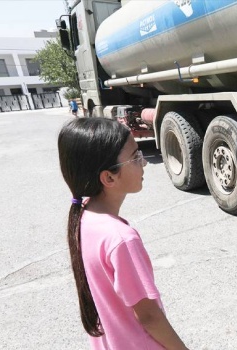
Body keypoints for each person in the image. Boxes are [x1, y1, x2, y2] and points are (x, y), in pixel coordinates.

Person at [58, 118, 187, 349]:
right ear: (109, 177)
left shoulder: (84, 216)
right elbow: (149, 317)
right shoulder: (121, 239)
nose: (144, 163)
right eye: (136, 157)